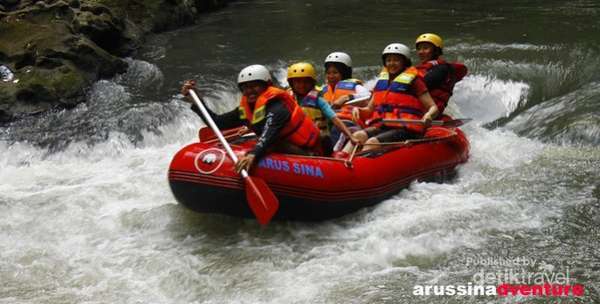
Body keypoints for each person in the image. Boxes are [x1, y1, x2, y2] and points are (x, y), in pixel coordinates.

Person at [181, 64, 322, 173]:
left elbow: (270, 132)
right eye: (246, 87)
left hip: (306, 152)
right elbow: (218, 122)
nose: (250, 91)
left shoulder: (278, 107)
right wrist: (197, 101)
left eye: (255, 86)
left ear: (267, 86)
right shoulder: (245, 109)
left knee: (272, 144)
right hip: (281, 146)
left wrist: (253, 155)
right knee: (260, 144)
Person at [341, 43, 438, 154]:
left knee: (372, 141)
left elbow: (433, 107)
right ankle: (340, 160)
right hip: (384, 126)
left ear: (404, 62)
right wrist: (358, 110)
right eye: (389, 60)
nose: (392, 63)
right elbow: (369, 110)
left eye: (396, 60)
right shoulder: (381, 82)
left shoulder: (415, 81)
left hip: (407, 129)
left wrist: (429, 115)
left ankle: (358, 166)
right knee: (357, 135)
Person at [286, 62, 358, 155]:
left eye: (306, 82)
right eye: (298, 82)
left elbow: (334, 119)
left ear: (312, 83)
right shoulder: (288, 98)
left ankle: (312, 156)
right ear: (291, 83)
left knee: (324, 138)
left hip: (317, 141)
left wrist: (351, 136)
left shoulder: (318, 100)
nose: (302, 85)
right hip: (298, 139)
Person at [320, 52, 371, 148]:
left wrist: (347, 97)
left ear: (345, 73)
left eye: (335, 72)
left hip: (349, 123)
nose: (331, 76)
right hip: (331, 122)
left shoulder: (355, 86)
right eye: (328, 73)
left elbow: (369, 96)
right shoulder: (324, 90)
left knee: (336, 129)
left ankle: (334, 155)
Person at [414, 33, 467, 117]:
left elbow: (421, 86)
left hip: (429, 112)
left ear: (436, 50)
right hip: (418, 109)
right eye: (419, 49)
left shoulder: (442, 69)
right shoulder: (423, 68)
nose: (421, 52)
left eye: (425, 48)